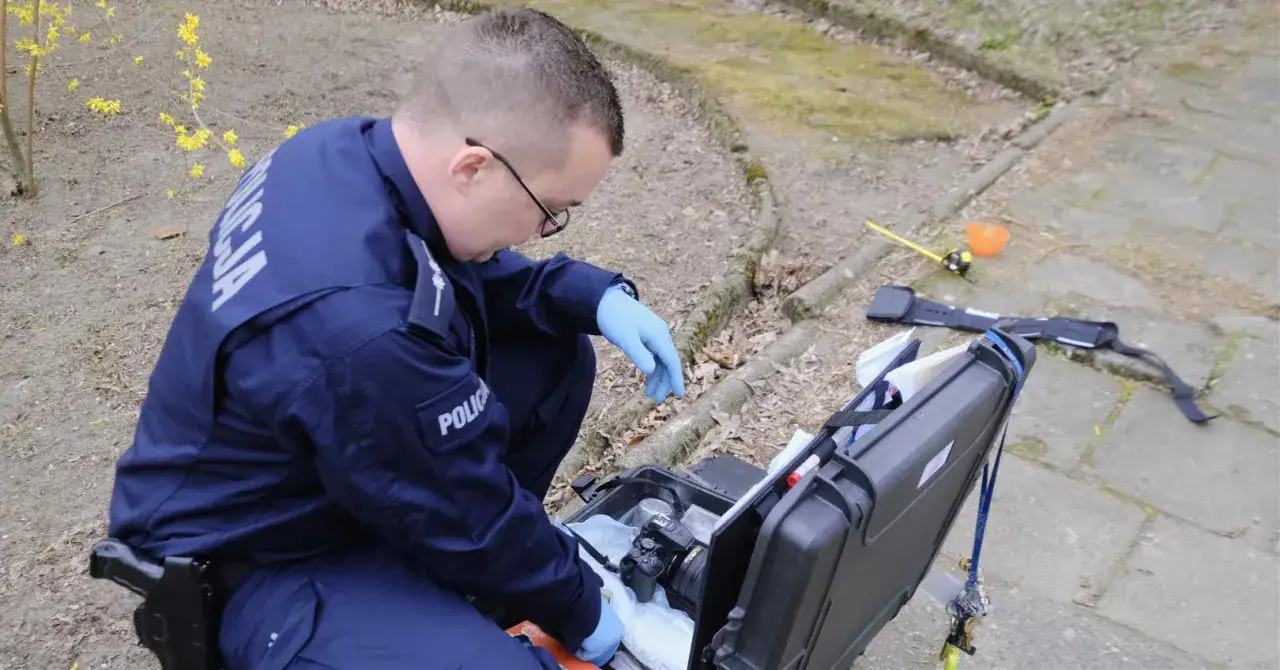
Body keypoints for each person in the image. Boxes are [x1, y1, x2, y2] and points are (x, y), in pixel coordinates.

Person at [104, 6, 686, 669]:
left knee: (554, 348)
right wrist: (582, 609)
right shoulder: (362, 330)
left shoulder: (334, 153)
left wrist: (589, 296)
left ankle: (461, 587)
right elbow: (467, 505)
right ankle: (436, 598)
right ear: (472, 168)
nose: (544, 230)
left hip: (315, 460)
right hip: (254, 556)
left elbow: (459, 273)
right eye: (551, 211)